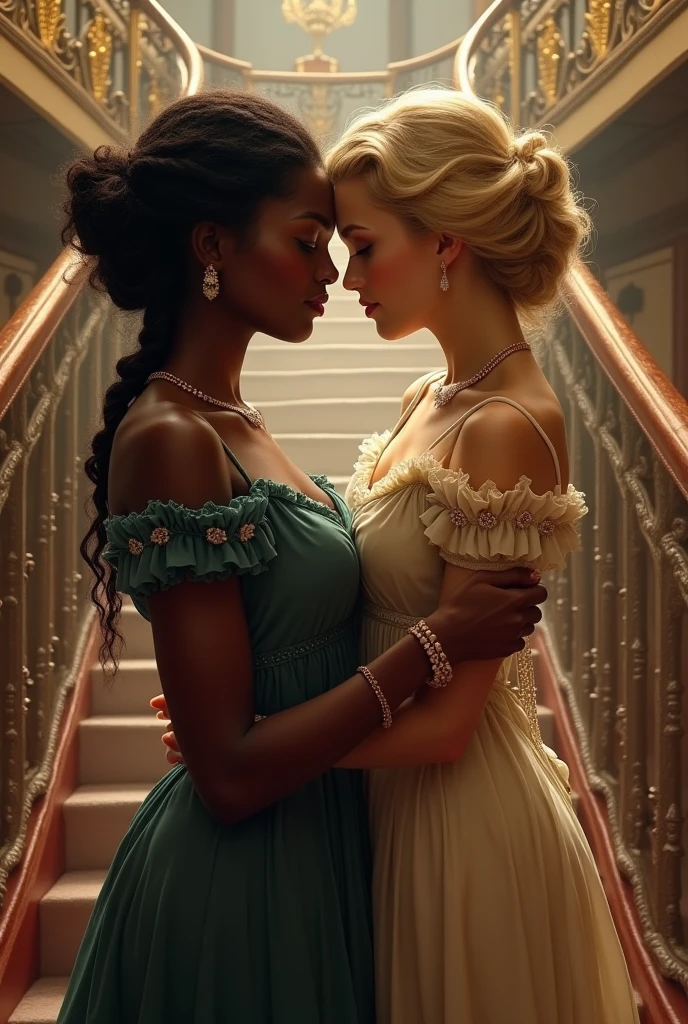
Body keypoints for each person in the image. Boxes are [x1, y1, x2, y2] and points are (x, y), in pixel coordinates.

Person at [57, 90, 546, 1024]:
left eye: (343, 243)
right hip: (242, 887)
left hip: (326, 843)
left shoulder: (238, 424)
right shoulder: (171, 437)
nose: (329, 270)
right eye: (306, 237)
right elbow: (231, 774)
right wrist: (435, 642)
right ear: (213, 247)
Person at [159, 89, 639, 1023]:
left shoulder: (508, 425)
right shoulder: (437, 395)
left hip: (461, 823)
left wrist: (262, 746)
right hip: (389, 804)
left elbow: (449, 726)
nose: (344, 276)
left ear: (447, 241)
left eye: (365, 245)